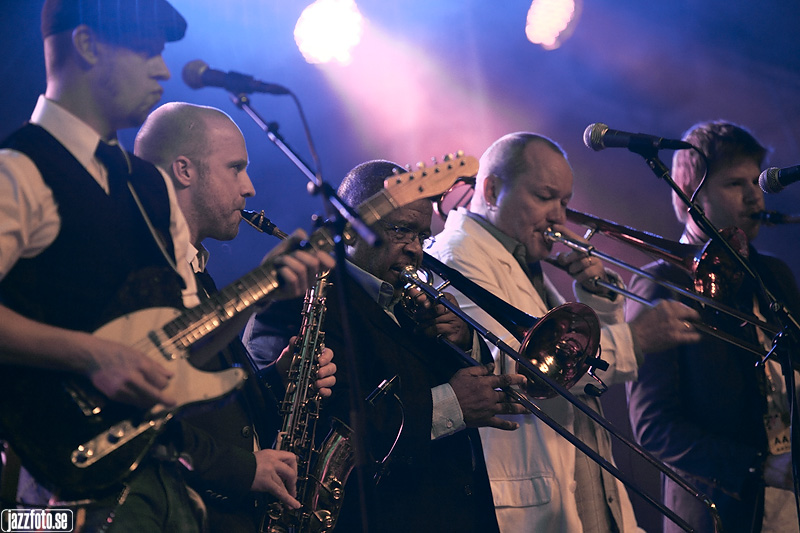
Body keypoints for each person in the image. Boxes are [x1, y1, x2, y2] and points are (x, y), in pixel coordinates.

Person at [0, 2, 326, 531]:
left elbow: (183, 347)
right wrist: (91, 354)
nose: (162, 69)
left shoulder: (149, 190)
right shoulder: (19, 172)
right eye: (146, 51)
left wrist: (262, 291)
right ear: (86, 46)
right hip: (49, 496)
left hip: (166, 491)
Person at [427, 131, 702, 532]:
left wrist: (600, 298)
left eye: (565, 202)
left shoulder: (521, 258)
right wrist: (635, 339)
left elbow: (590, 377)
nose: (560, 215)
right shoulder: (456, 257)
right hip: (534, 506)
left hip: (590, 493)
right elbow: (514, 369)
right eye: (545, 196)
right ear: (492, 189)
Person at [244, 160, 529, 532]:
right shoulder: (298, 300)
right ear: (351, 229)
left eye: (423, 237)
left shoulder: (412, 304)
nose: (416, 250)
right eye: (401, 230)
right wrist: (449, 405)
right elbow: (325, 426)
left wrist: (461, 338)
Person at [134, 101, 337, 532]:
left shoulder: (198, 273)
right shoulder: (141, 272)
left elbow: (201, 398)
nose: (249, 188)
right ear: (184, 171)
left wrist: (277, 378)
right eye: (235, 168)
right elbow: (145, 420)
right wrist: (244, 470)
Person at [627, 120, 800, 533]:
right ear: (693, 196)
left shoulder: (773, 273)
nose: (754, 195)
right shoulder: (660, 283)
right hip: (719, 513)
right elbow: (653, 427)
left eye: (755, 182)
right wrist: (760, 467)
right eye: (735, 183)